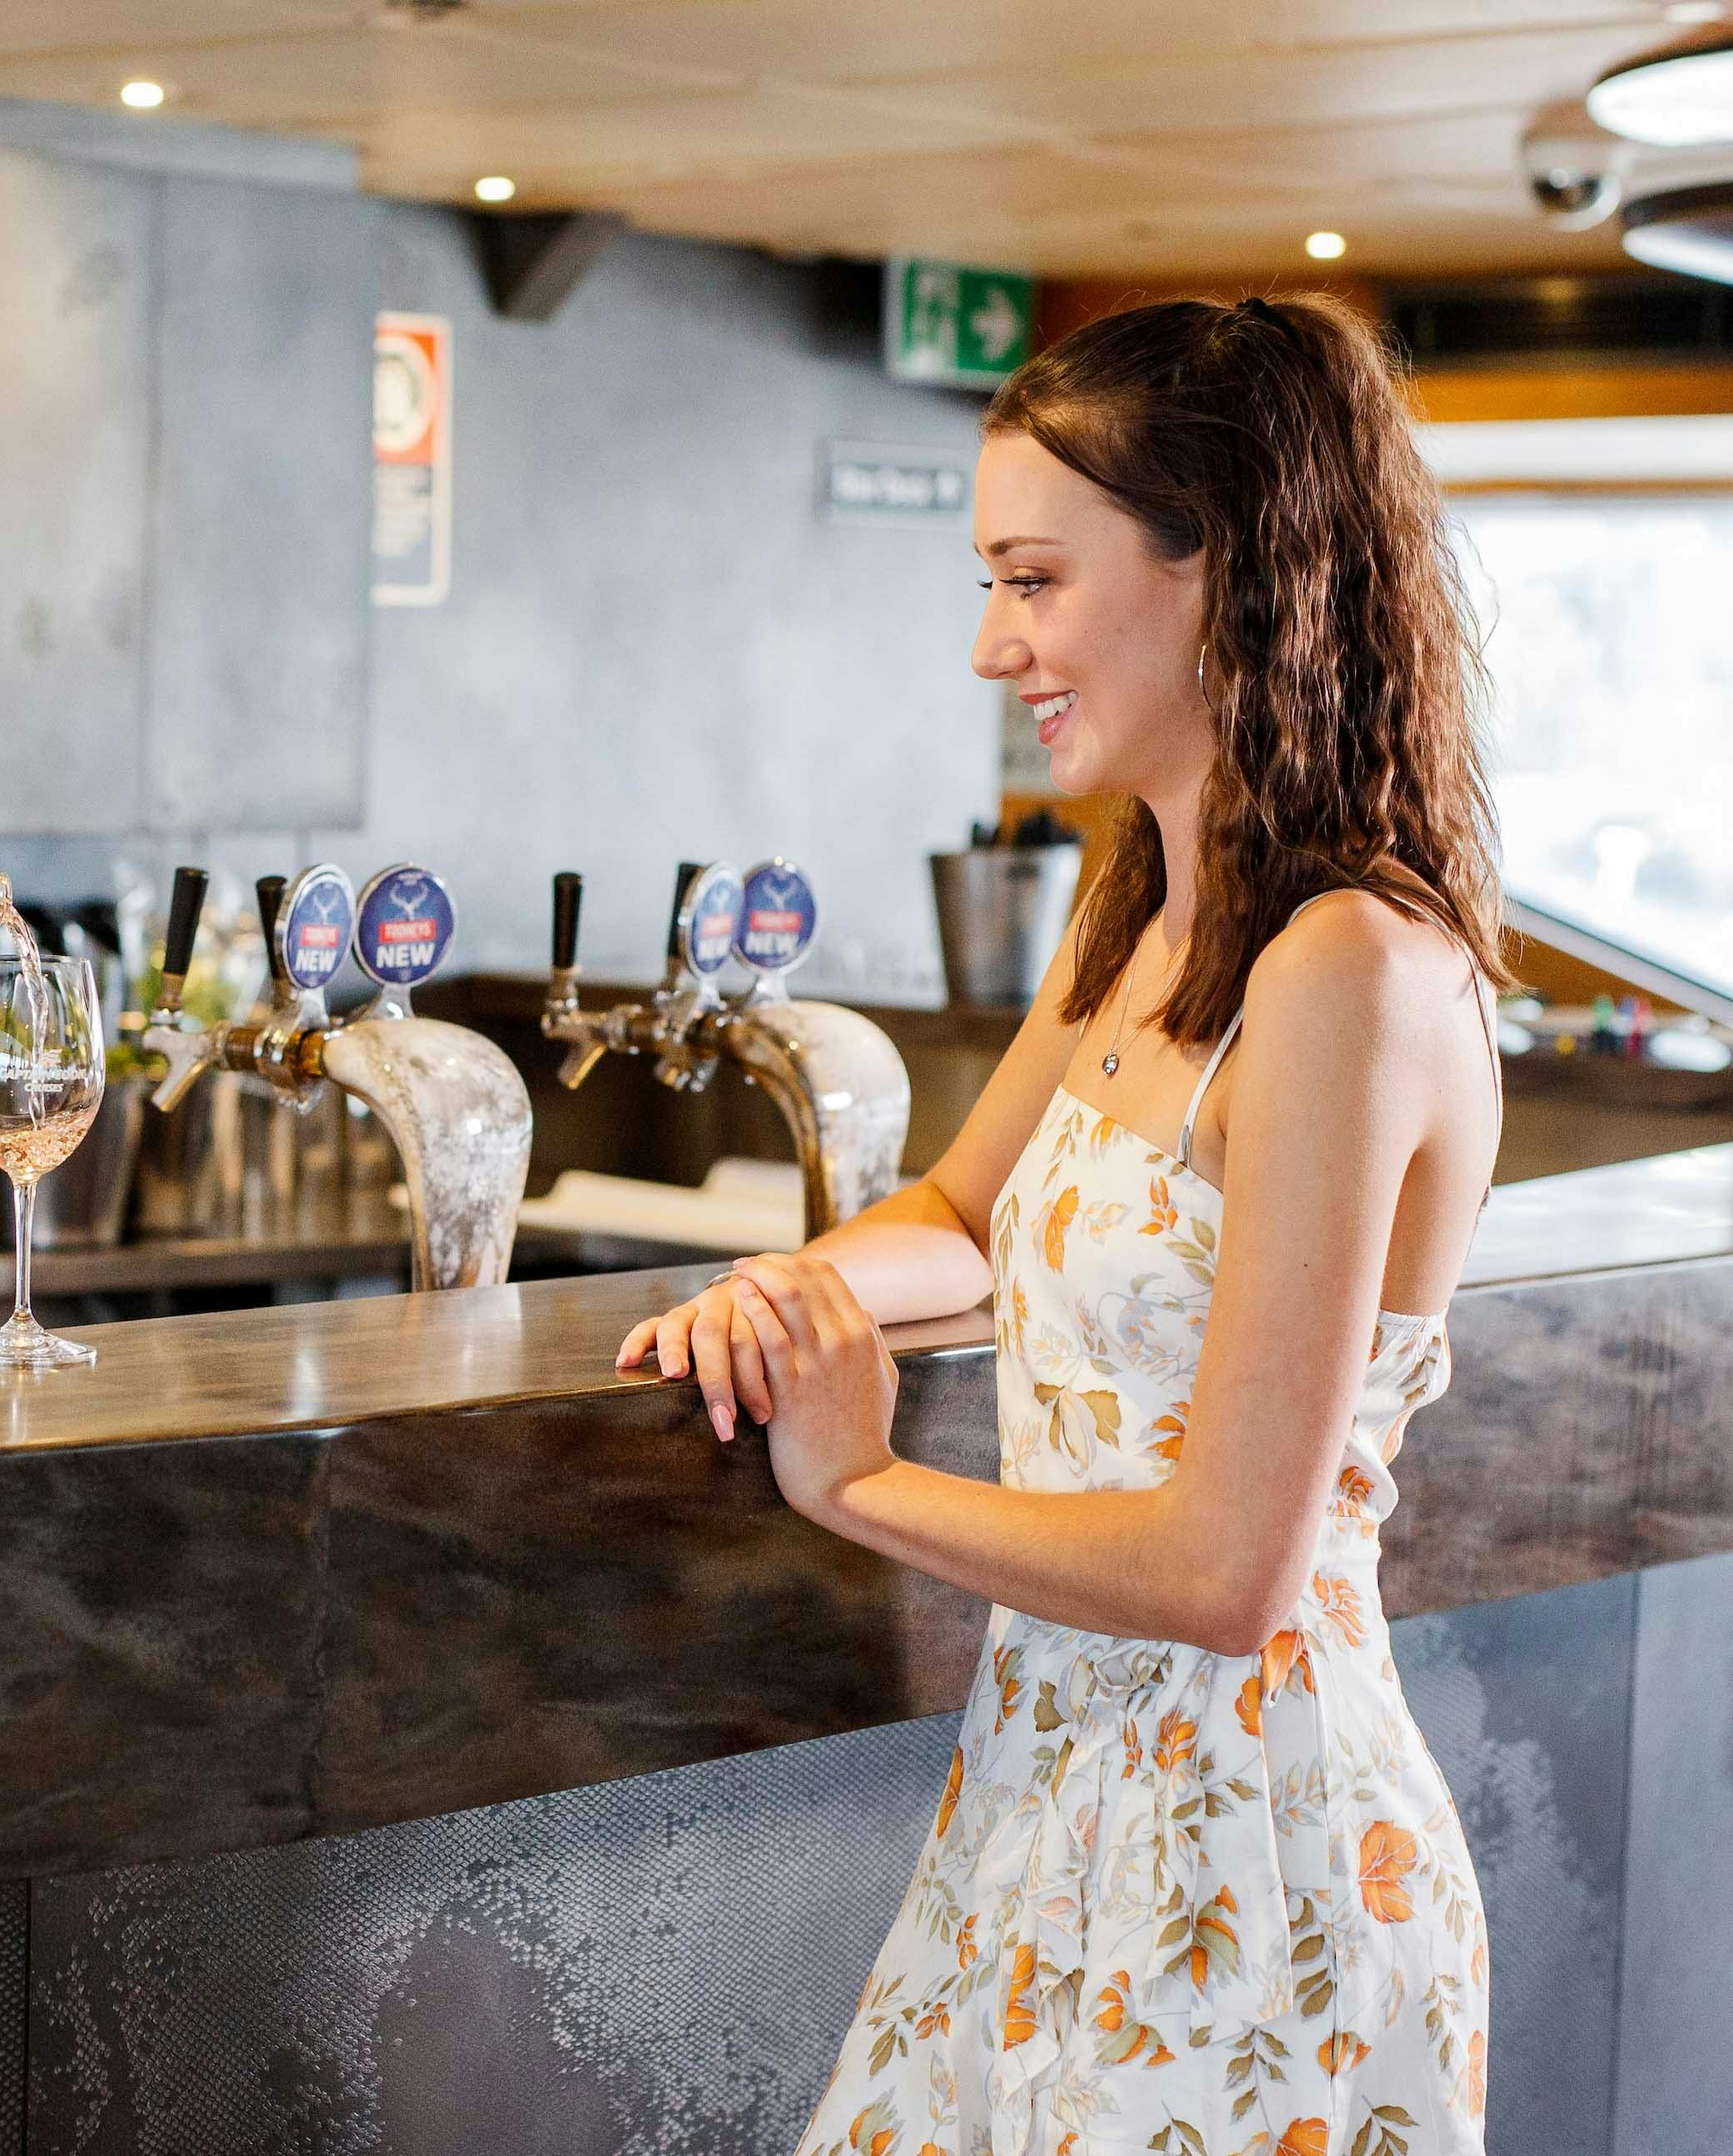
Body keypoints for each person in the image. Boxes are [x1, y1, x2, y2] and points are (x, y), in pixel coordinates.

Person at [623, 295, 1508, 2151]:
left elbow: (1224, 1570)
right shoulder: (1136, 898)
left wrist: (852, 1479)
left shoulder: (1346, 960)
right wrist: (785, 1284)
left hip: (1257, 1866)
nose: (988, 642)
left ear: (1225, 566)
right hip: (1049, 1812)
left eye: (1032, 577)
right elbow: (962, 1205)